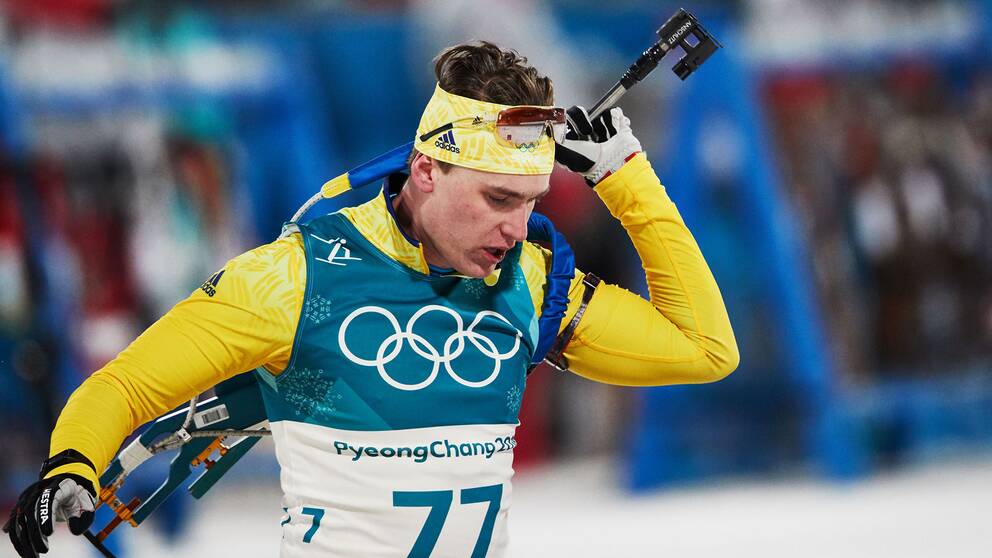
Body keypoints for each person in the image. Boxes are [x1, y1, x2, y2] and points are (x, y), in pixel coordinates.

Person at [4, 41, 738, 557]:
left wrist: (626, 175)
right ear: (425, 170)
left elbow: (705, 350)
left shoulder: (528, 282)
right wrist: (71, 465)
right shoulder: (296, 278)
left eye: (530, 201)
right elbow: (127, 385)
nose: (517, 229)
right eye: (496, 198)